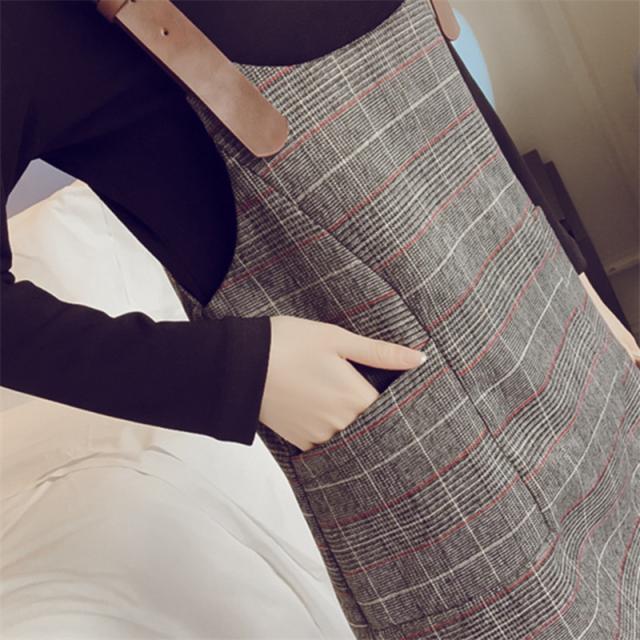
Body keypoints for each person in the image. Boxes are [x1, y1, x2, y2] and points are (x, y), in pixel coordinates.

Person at [2, 1, 639, 637]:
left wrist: (569, 264)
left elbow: (455, 86)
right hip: (435, 440)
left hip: (562, 330)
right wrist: (240, 371)